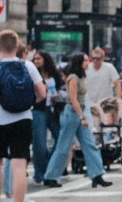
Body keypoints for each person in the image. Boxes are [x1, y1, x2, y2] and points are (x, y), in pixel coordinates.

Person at [0, 29, 47, 202]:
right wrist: (28, 103)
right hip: (23, 120)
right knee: (19, 165)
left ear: (0, 47)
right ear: (17, 47)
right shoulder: (28, 65)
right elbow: (42, 93)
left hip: (0, 121)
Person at [42, 53, 112, 189]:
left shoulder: (81, 77)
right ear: (79, 62)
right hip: (72, 114)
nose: (88, 63)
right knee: (64, 146)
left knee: (90, 144)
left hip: (79, 113)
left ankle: (97, 175)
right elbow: (73, 99)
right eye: (85, 61)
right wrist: (82, 116)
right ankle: (50, 176)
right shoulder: (73, 78)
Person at [31, 51, 63, 186]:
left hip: (53, 109)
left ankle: (50, 163)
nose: (36, 61)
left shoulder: (54, 73)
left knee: (61, 137)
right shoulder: (33, 73)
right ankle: (40, 174)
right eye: (35, 59)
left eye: (39, 58)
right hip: (38, 109)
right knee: (39, 143)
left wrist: (57, 95)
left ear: (46, 59)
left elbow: (61, 87)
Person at [85, 47, 122, 125]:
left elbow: (117, 84)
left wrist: (118, 100)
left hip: (106, 104)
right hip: (91, 104)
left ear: (103, 58)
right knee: (94, 127)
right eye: (93, 58)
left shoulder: (109, 68)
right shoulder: (87, 68)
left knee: (107, 126)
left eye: (97, 58)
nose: (95, 60)